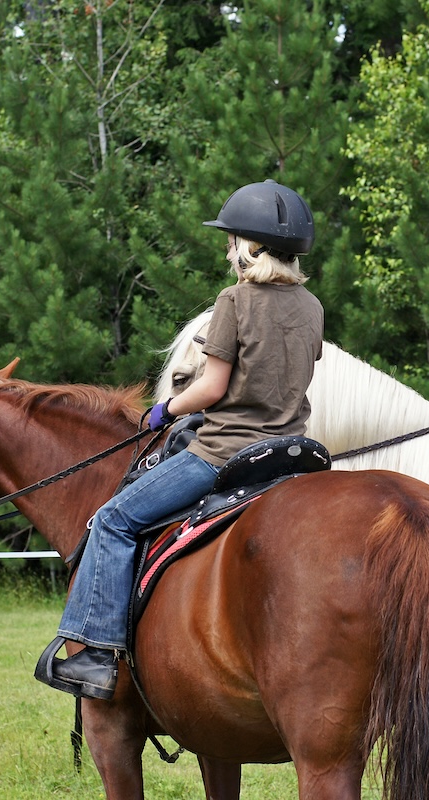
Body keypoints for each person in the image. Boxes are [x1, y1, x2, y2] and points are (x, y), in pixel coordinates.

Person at [34, 180, 324, 700]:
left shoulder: (234, 300)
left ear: (252, 247)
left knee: (113, 519)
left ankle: (95, 653)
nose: (226, 247)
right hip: (291, 456)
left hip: (224, 451)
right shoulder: (311, 306)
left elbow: (212, 387)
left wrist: (165, 408)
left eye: (231, 238)